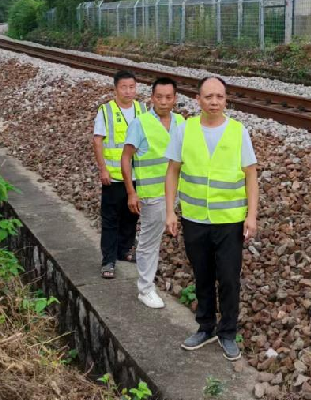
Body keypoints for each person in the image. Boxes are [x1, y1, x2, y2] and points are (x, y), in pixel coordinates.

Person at [165, 76, 258, 362]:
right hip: (195, 218)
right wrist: (171, 211)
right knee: (202, 275)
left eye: (219, 96)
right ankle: (205, 327)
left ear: (226, 99)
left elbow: (251, 174)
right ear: (198, 100)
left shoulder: (237, 131)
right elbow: (173, 171)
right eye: (209, 97)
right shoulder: (186, 129)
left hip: (229, 220)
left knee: (229, 278)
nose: (214, 102)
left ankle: (228, 332)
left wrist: (251, 215)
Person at [120, 77, 184, 309]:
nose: (164, 102)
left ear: (175, 99)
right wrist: (131, 191)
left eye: (169, 97)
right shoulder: (141, 123)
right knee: (149, 240)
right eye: (159, 97)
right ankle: (145, 289)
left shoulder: (181, 122)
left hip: (181, 192)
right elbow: (126, 157)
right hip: (153, 194)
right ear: (152, 98)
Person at [93, 70, 147, 279]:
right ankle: (108, 260)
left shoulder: (142, 109)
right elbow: (98, 141)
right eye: (124, 87)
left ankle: (124, 250)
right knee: (111, 219)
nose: (128, 91)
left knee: (131, 216)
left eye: (132, 87)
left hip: (136, 176)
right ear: (115, 89)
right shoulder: (106, 111)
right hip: (114, 177)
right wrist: (103, 168)